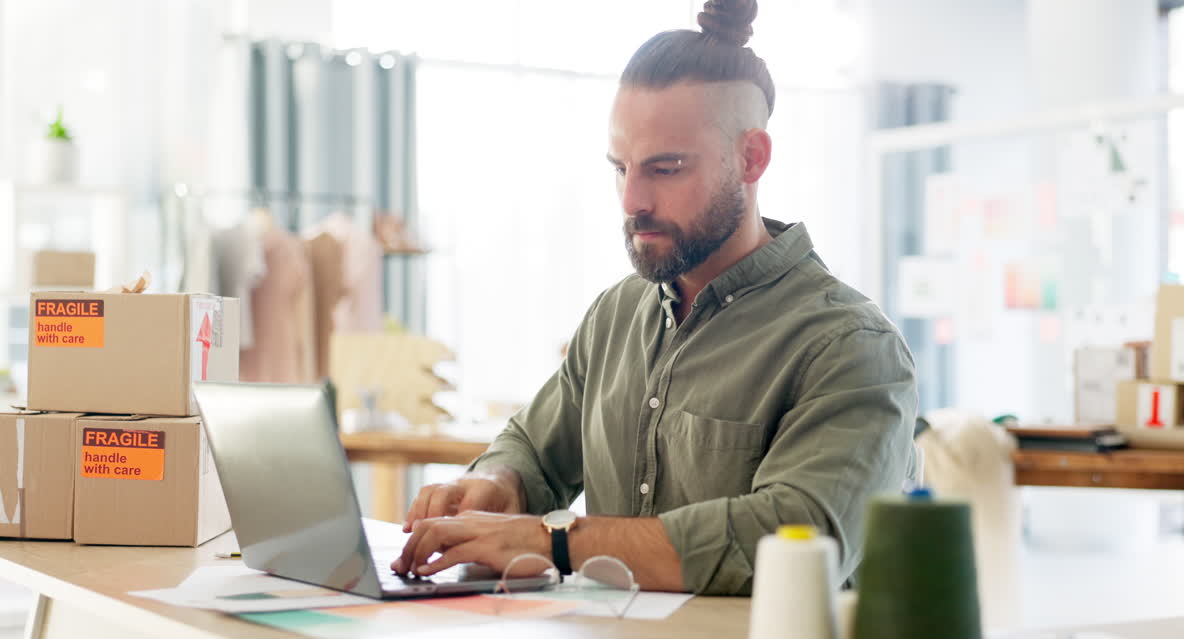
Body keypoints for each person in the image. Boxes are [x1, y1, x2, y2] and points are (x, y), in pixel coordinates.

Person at [392, 0, 918, 595]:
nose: (631, 200)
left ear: (751, 158)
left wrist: (556, 542)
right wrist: (496, 482)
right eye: (621, 167)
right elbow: (535, 449)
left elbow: (794, 536)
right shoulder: (616, 314)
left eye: (665, 169)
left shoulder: (850, 347)